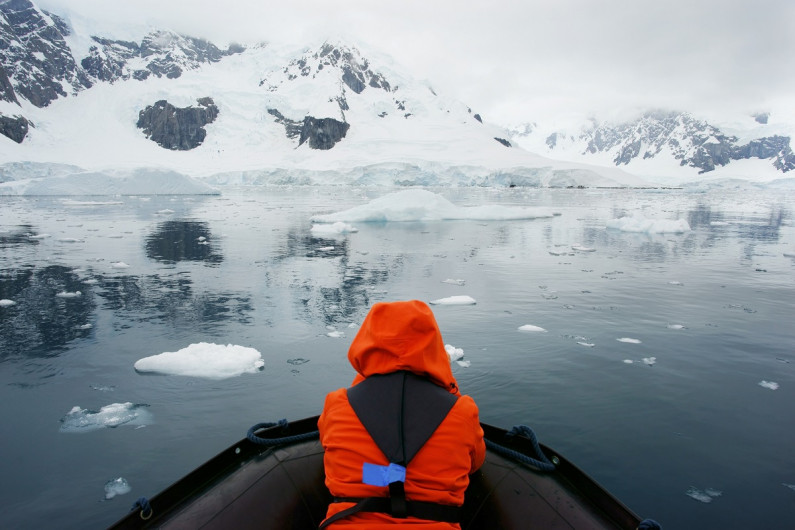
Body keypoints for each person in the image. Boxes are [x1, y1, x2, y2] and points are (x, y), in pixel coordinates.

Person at [318, 300, 485, 529]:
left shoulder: (338, 405)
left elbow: (331, 453)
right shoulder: (462, 411)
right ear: (433, 344)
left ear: (366, 343)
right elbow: (475, 463)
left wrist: (384, 475)